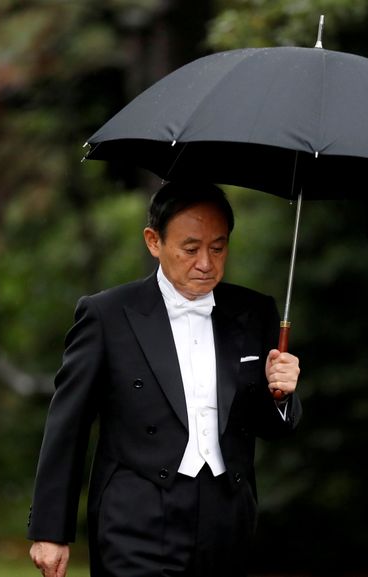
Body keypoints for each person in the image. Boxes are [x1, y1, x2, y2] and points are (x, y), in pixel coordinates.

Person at [27, 180, 302, 577]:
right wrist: (50, 530)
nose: (206, 263)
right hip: (135, 517)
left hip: (226, 519)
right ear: (153, 241)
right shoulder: (107, 315)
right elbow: (68, 424)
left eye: (218, 247)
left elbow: (265, 425)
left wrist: (280, 395)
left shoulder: (255, 312)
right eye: (190, 249)